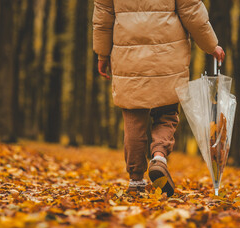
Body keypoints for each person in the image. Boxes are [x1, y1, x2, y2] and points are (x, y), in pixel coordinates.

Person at [93, 0, 225, 197]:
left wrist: (102, 55)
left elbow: (102, 18)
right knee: (167, 113)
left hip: (128, 58)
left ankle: (136, 179)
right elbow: (192, 11)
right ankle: (159, 157)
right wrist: (211, 45)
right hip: (168, 57)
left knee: (134, 118)